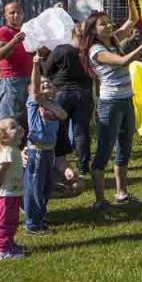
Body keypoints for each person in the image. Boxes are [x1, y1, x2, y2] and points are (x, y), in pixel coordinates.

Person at [80, 5, 142, 212]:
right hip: (110, 104)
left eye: (109, 22)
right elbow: (122, 61)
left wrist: (131, 1)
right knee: (104, 151)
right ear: (93, 30)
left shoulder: (112, 40)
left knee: (124, 148)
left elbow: (132, 21)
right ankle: (100, 200)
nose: (109, 25)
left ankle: (122, 194)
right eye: (103, 24)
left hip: (126, 100)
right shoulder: (96, 50)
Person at [33, 25, 94, 176]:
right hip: (84, 93)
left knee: (59, 129)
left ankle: (58, 164)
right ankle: (83, 166)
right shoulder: (90, 51)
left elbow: (46, 70)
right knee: (81, 131)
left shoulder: (61, 50)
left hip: (62, 92)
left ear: (71, 33)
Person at [23, 79, 66, 235]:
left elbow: (63, 115)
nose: (46, 84)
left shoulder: (53, 103)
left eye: (49, 82)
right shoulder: (33, 104)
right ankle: (32, 225)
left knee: (45, 188)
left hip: (49, 152)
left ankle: (40, 217)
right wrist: (35, 66)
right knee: (34, 188)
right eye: (41, 84)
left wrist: (46, 101)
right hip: (37, 151)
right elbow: (35, 90)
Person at [0, 118, 25, 261]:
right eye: (13, 127)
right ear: (4, 136)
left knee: (12, 221)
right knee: (4, 222)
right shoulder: (8, 152)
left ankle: (10, 244)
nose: (18, 127)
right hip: (6, 194)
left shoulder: (13, 149)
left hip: (13, 192)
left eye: (17, 124)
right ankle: (3, 250)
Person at [0, 1, 34, 128]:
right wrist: (14, 41)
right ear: (5, 15)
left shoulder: (25, 32)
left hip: (28, 78)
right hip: (12, 80)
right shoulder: (2, 32)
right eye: (12, 13)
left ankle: (22, 140)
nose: (16, 15)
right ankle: (3, 139)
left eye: (18, 12)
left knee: (25, 117)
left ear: (23, 14)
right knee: (9, 119)